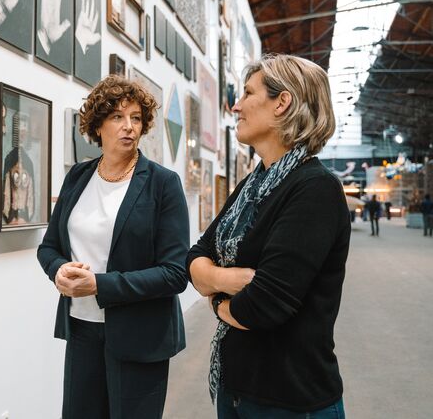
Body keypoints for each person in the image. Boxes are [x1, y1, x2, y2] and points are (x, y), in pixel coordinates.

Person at [186, 54, 350, 418]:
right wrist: (227, 280)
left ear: (282, 102)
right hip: (235, 386)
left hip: (290, 400)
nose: (236, 105)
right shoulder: (254, 183)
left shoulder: (315, 188)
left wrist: (214, 299)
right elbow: (195, 256)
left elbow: (261, 307)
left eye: (247, 93)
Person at [37, 75, 190, 419]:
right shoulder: (78, 177)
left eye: (136, 118)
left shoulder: (163, 183)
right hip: (81, 327)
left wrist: (99, 285)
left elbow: (175, 273)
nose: (129, 126)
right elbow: (48, 248)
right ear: (98, 125)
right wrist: (58, 270)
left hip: (141, 335)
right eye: (117, 117)